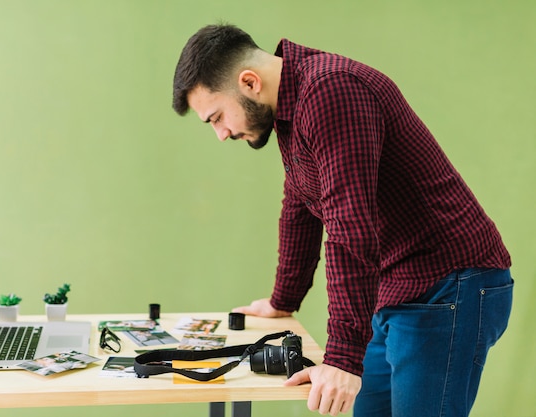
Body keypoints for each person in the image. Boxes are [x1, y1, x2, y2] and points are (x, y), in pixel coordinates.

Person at [172, 24, 513, 417]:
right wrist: (283, 299)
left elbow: (349, 228)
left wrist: (344, 359)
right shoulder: (293, 104)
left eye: (216, 117)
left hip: (449, 285)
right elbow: (300, 205)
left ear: (249, 82)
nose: (221, 133)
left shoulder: (332, 90)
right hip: (399, 288)